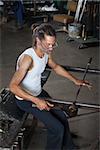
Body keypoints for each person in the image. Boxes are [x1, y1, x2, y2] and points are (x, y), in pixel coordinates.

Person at [9, 23, 91, 150]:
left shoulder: (46, 52)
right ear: (38, 40)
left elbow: (56, 67)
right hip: (25, 100)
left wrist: (75, 80)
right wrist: (37, 101)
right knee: (56, 128)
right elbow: (13, 87)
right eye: (48, 44)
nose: (51, 47)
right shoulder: (28, 58)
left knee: (62, 117)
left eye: (53, 44)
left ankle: (69, 147)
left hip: (38, 93)